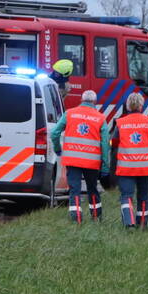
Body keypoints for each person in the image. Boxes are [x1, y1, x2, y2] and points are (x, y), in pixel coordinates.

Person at [51, 90, 110, 223]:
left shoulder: (69, 114)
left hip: (72, 159)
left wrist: (58, 149)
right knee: (92, 188)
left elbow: (54, 133)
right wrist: (105, 165)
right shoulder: (100, 118)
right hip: (92, 161)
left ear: (81, 100)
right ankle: (96, 217)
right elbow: (105, 144)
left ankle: (76, 219)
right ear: (95, 102)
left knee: (75, 190)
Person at [112, 92, 148, 228]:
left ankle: (129, 222)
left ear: (128, 105)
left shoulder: (120, 123)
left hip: (126, 167)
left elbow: (114, 143)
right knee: (144, 197)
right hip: (146, 167)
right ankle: (143, 225)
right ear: (141, 105)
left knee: (126, 196)